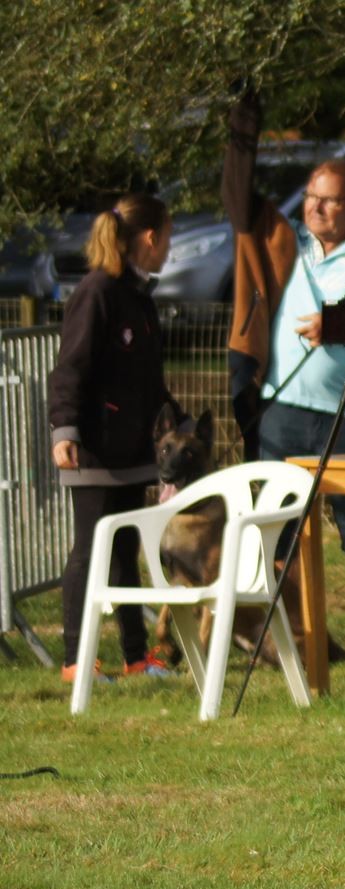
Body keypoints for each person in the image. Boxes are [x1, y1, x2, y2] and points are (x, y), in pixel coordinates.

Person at [225, 90, 345, 650]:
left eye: (330, 202)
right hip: (281, 406)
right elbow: (240, 205)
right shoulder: (288, 247)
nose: (317, 209)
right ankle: (296, 626)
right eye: (311, 198)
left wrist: (338, 325)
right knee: (276, 522)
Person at [48, 193, 177, 684]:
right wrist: (65, 429)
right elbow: (70, 368)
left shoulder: (139, 296)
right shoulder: (97, 292)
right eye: (168, 237)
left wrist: (178, 423)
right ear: (150, 237)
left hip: (132, 450)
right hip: (94, 449)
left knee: (125, 551)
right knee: (89, 551)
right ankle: (75, 660)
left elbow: (148, 382)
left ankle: (136, 656)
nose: (169, 247)